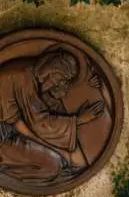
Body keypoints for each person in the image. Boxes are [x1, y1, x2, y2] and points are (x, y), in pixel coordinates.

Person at [0, 49, 104, 182]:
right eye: (60, 79)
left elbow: (39, 107)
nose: (58, 84)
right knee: (52, 165)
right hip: (2, 137)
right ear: (50, 71)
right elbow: (40, 122)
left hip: (9, 133)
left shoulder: (31, 72)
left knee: (56, 163)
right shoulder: (23, 77)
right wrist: (79, 120)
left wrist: (90, 86)